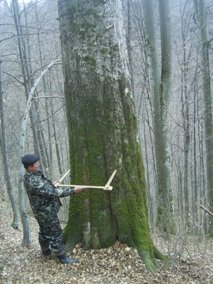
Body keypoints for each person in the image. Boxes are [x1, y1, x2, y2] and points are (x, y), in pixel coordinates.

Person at [22, 153, 84, 264]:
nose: (38, 164)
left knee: (44, 230)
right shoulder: (33, 181)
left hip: (40, 211)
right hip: (45, 212)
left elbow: (45, 189)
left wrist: (53, 185)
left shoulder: (30, 175)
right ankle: (62, 258)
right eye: (36, 164)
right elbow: (55, 193)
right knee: (56, 233)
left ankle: (46, 251)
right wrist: (74, 190)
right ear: (29, 167)